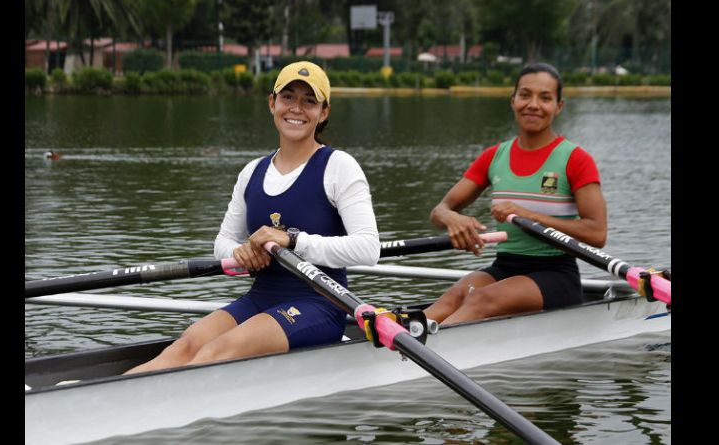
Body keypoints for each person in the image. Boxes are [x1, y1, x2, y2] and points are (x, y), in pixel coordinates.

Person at [126, 61, 380, 374]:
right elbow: (222, 241)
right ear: (272, 103)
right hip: (261, 297)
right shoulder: (251, 172)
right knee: (187, 344)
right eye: (288, 97)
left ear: (323, 112)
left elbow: (369, 248)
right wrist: (240, 253)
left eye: (309, 101)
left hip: (320, 304)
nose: (296, 109)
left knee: (218, 350)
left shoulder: (339, 166)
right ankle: (100, 406)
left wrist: (292, 241)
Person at [424, 63, 607, 326]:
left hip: (556, 274)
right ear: (513, 101)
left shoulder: (575, 159)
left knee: (479, 299)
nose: (533, 104)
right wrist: (452, 218)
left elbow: (597, 234)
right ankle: (397, 343)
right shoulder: (494, 156)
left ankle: (413, 358)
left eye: (545, 98)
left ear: (559, 106)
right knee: (453, 297)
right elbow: (439, 210)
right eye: (525, 95)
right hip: (505, 267)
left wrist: (528, 215)